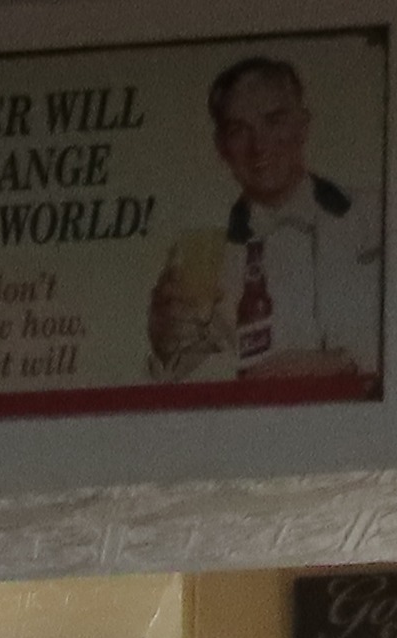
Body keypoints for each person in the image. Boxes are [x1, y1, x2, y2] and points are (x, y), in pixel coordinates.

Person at [150, 55, 371, 391]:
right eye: (239, 131)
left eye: (274, 120)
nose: (259, 145)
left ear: (303, 125)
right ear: (221, 147)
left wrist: (344, 363)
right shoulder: (205, 256)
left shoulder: (375, 213)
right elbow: (179, 382)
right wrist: (165, 345)